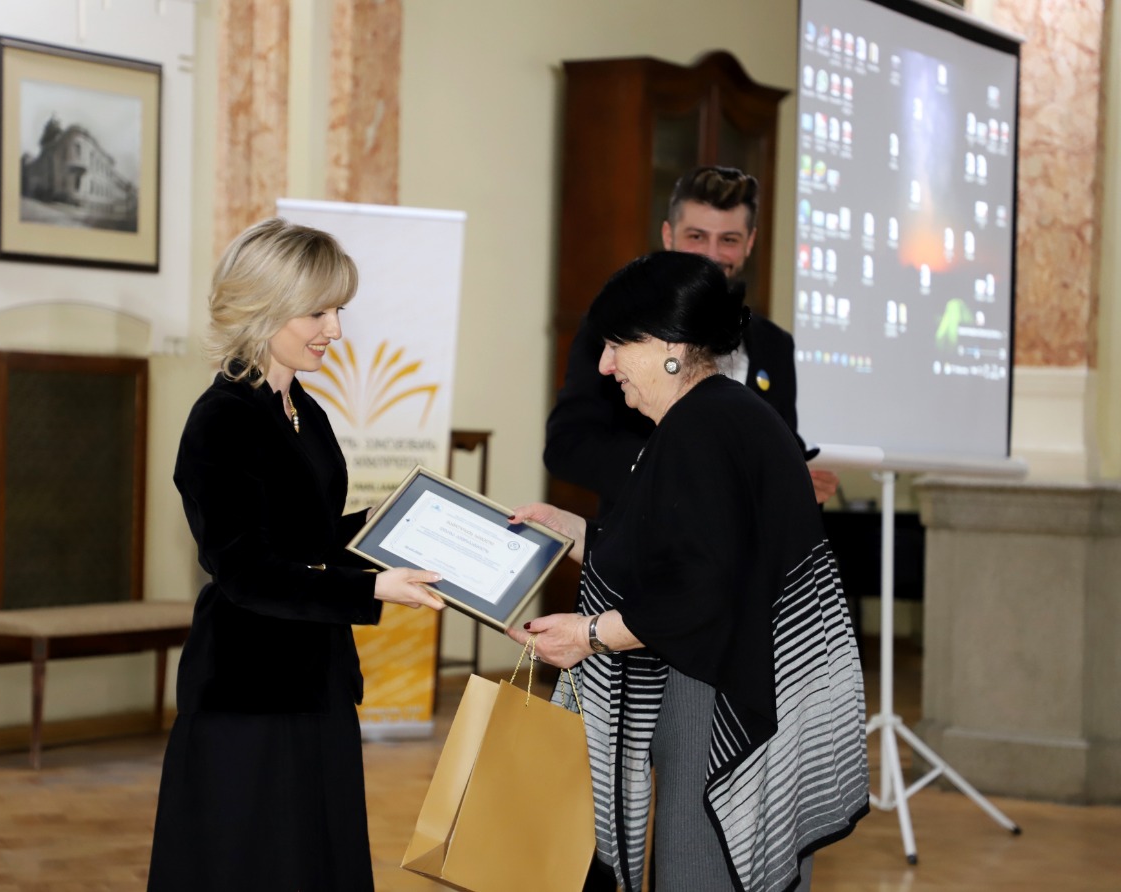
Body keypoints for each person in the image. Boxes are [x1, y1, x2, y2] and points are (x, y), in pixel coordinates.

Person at [510, 252, 867, 892]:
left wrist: (588, 636)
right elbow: (685, 553)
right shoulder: (721, 414)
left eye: (617, 345)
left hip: (717, 696)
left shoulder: (700, 428)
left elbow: (700, 593)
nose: (605, 365)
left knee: (698, 871)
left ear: (670, 348)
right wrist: (571, 532)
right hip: (748, 683)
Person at [147, 218, 444, 891]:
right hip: (250, 692)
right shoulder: (223, 418)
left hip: (317, 677)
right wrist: (372, 589)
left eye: (338, 311)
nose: (334, 330)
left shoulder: (300, 407)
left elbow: (306, 540)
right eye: (318, 312)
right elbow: (247, 572)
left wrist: (389, 525)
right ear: (264, 306)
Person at [545, 165, 839, 511]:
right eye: (696, 236)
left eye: (728, 240)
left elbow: (776, 447)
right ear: (668, 236)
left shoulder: (774, 344)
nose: (711, 254)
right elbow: (567, 444)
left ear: (750, 243)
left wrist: (799, 480)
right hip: (643, 535)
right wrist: (671, 468)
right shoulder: (616, 330)